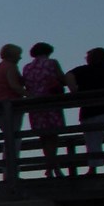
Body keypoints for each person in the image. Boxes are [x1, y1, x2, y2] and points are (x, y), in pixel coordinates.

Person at [22, 42, 72, 177]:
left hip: (35, 105)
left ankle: (51, 167)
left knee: (44, 137)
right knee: (53, 136)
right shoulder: (52, 63)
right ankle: (53, 167)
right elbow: (62, 78)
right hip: (51, 102)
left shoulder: (27, 67)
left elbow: (26, 85)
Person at [0, 44, 25, 176]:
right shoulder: (11, 67)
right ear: (12, 55)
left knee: (8, 139)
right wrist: (30, 94)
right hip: (11, 107)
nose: (20, 57)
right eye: (18, 54)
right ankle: (11, 172)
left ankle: (7, 171)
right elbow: (14, 86)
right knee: (14, 138)